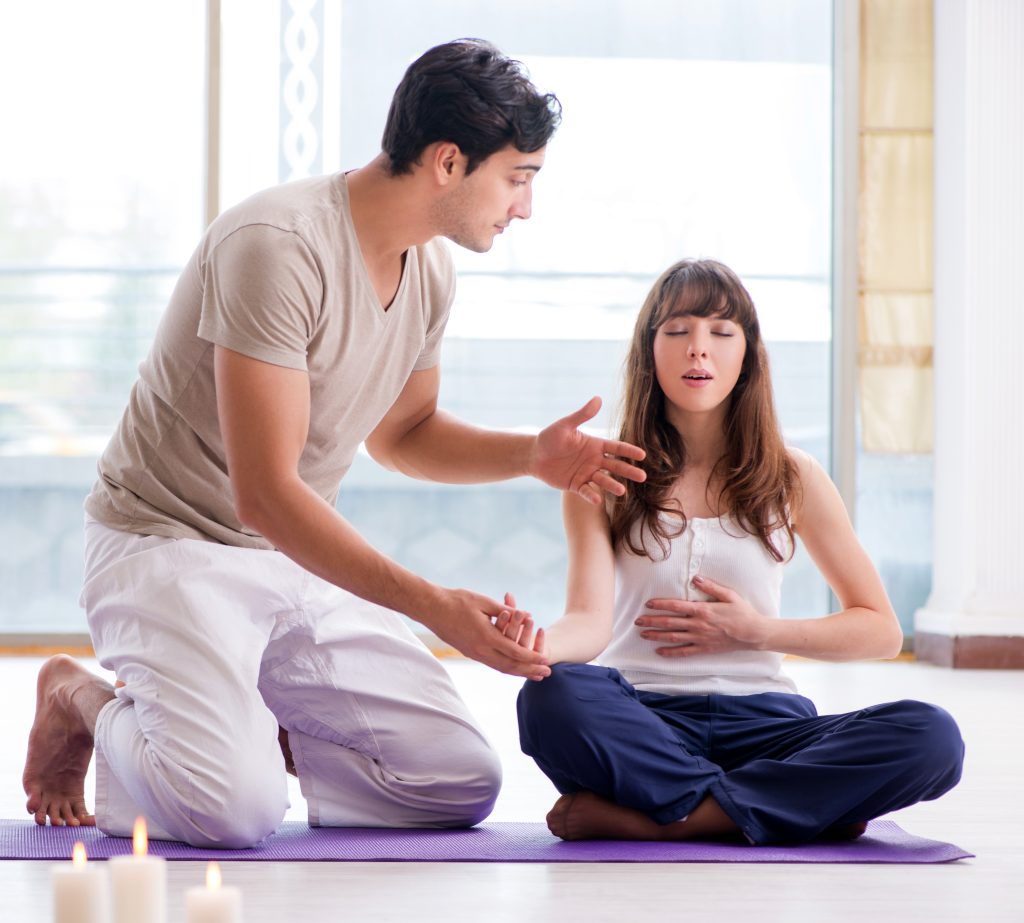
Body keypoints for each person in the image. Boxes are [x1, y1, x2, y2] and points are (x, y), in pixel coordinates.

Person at [22, 38, 646, 848]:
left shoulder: (429, 269)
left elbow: (405, 433)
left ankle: (248, 723)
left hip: (288, 555)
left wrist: (531, 455)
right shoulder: (276, 247)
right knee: (231, 811)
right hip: (169, 540)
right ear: (450, 162)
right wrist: (436, 608)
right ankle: (82, 698)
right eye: (518, 178)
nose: (523, 206)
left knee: (457, 776)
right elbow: (266, 492)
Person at [513, 258, 964, 845]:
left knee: (930, 735)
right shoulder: (606, 474)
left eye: (721, 333)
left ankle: (675, 821)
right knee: (553, 695)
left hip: (767, 725)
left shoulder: (793, 475)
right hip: (648, 719)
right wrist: (531, 647)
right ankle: (779, 807)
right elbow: (590, 622)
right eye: (677, 332)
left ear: (747, 353)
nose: (698, 350)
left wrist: (756, 631)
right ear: (649, 351)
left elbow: (879, 630)